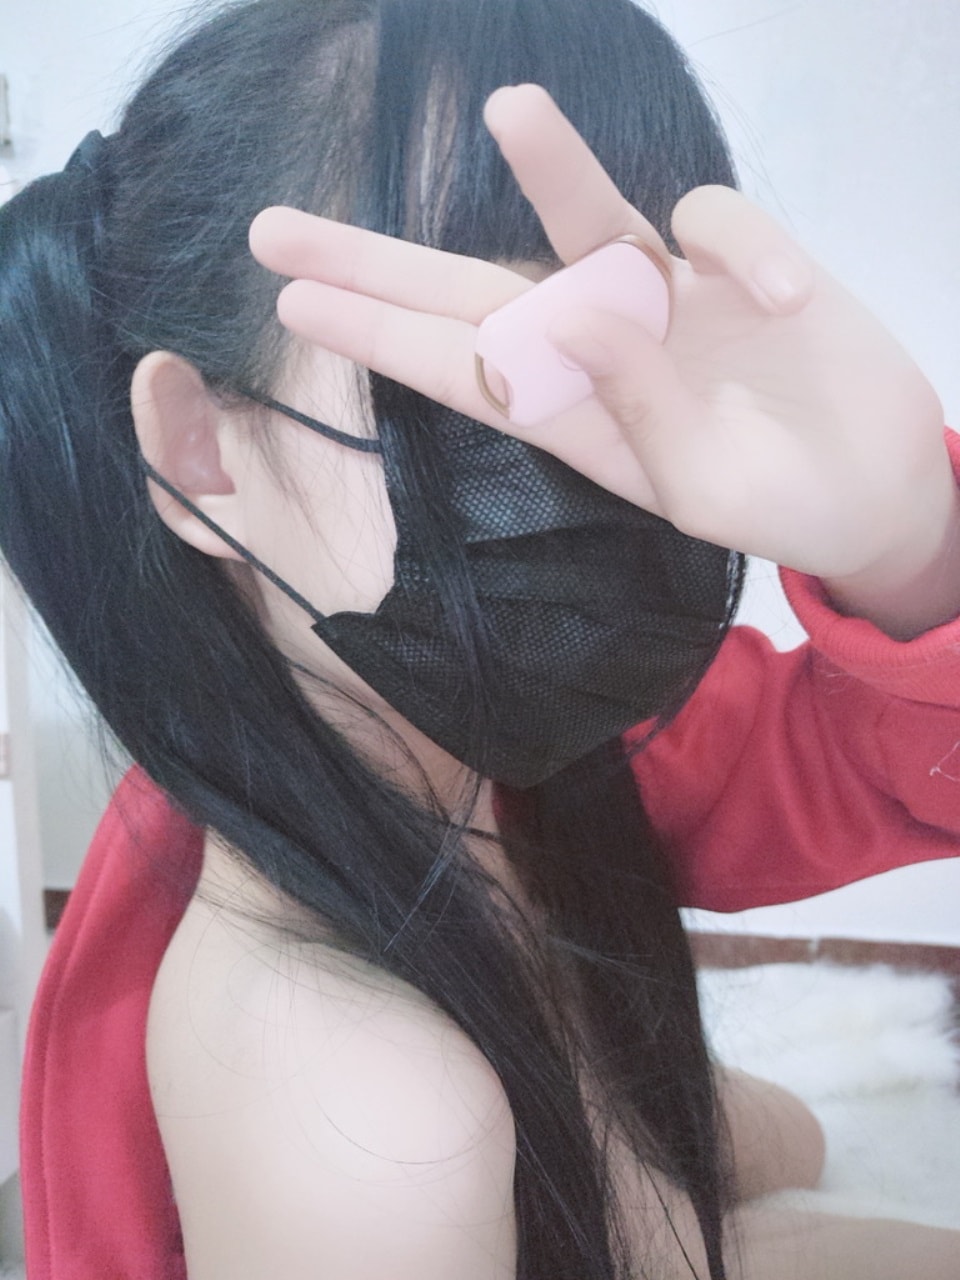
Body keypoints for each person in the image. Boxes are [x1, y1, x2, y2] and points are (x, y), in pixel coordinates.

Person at [1, 0, 958, 1277]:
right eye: (481, 373)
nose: (605, 453)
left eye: (627, 348)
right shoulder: (368, 1109)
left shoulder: (531, 731)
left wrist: (914, 547)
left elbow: (861, 766)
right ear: (200, 450)